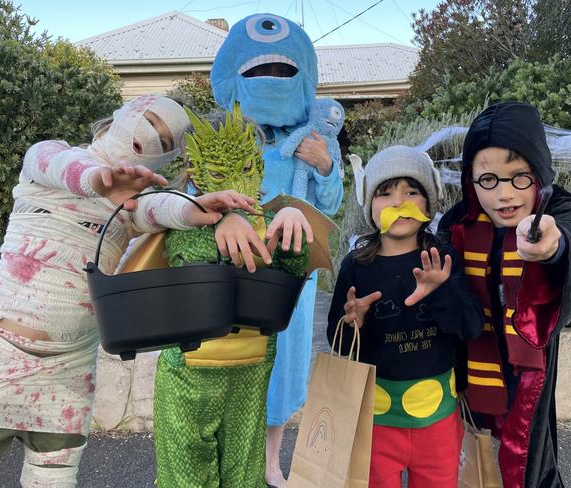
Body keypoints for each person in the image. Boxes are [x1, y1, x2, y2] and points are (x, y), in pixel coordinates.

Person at [0, 94, 254, 488]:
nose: (153, 139)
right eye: (150, 122)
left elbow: (157, 209)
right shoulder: (49, 155)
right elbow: (65, 168)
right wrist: (100, 181)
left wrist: (196, 209)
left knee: (54, 479)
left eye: (166, 139)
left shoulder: (130, 204)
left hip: (69, 369)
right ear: (120, 117)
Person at [208, 13, 344, 487]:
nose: (272, 80)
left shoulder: (315, 140)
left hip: (292, 272)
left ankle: (270, 459)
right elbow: (200, 196)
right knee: (230, 357)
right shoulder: (223, 138)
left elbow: (331, 207)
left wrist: (325, 166)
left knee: (285, 365)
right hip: (233, 266)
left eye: (285, 72)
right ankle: (229, 458)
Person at [437, 101, 571, 488]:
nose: (505, 194)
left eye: (520, 177)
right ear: (470, 179)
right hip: (473, 366)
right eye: (489, 179)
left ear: (539, 176)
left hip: (529, 370)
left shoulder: (556, 212)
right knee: (467, 462)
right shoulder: (458, 224)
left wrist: (554, 248)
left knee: (528, 460)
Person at [153, 105, 315, 488]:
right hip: (189, 377)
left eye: (245, 169)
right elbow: (187, 258)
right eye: (220, 173)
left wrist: (293, 224)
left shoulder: (271, 216)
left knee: (244, 476)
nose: (236, 185)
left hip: (251, 371)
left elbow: (287, 282)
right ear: (195, 172)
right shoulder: (179, 218)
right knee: (185, 477)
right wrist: (221, 220)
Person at [327, 146, 484, 488]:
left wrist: (442, 292)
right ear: (369, 206)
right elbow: (337, 342)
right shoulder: (357, 265)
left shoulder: (442, 259)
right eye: (385, 193)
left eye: (411, 191)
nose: (400, 202)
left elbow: (471, 327)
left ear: (428, 203)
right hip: (375, 420)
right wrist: (353, 321)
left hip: (438, 420)